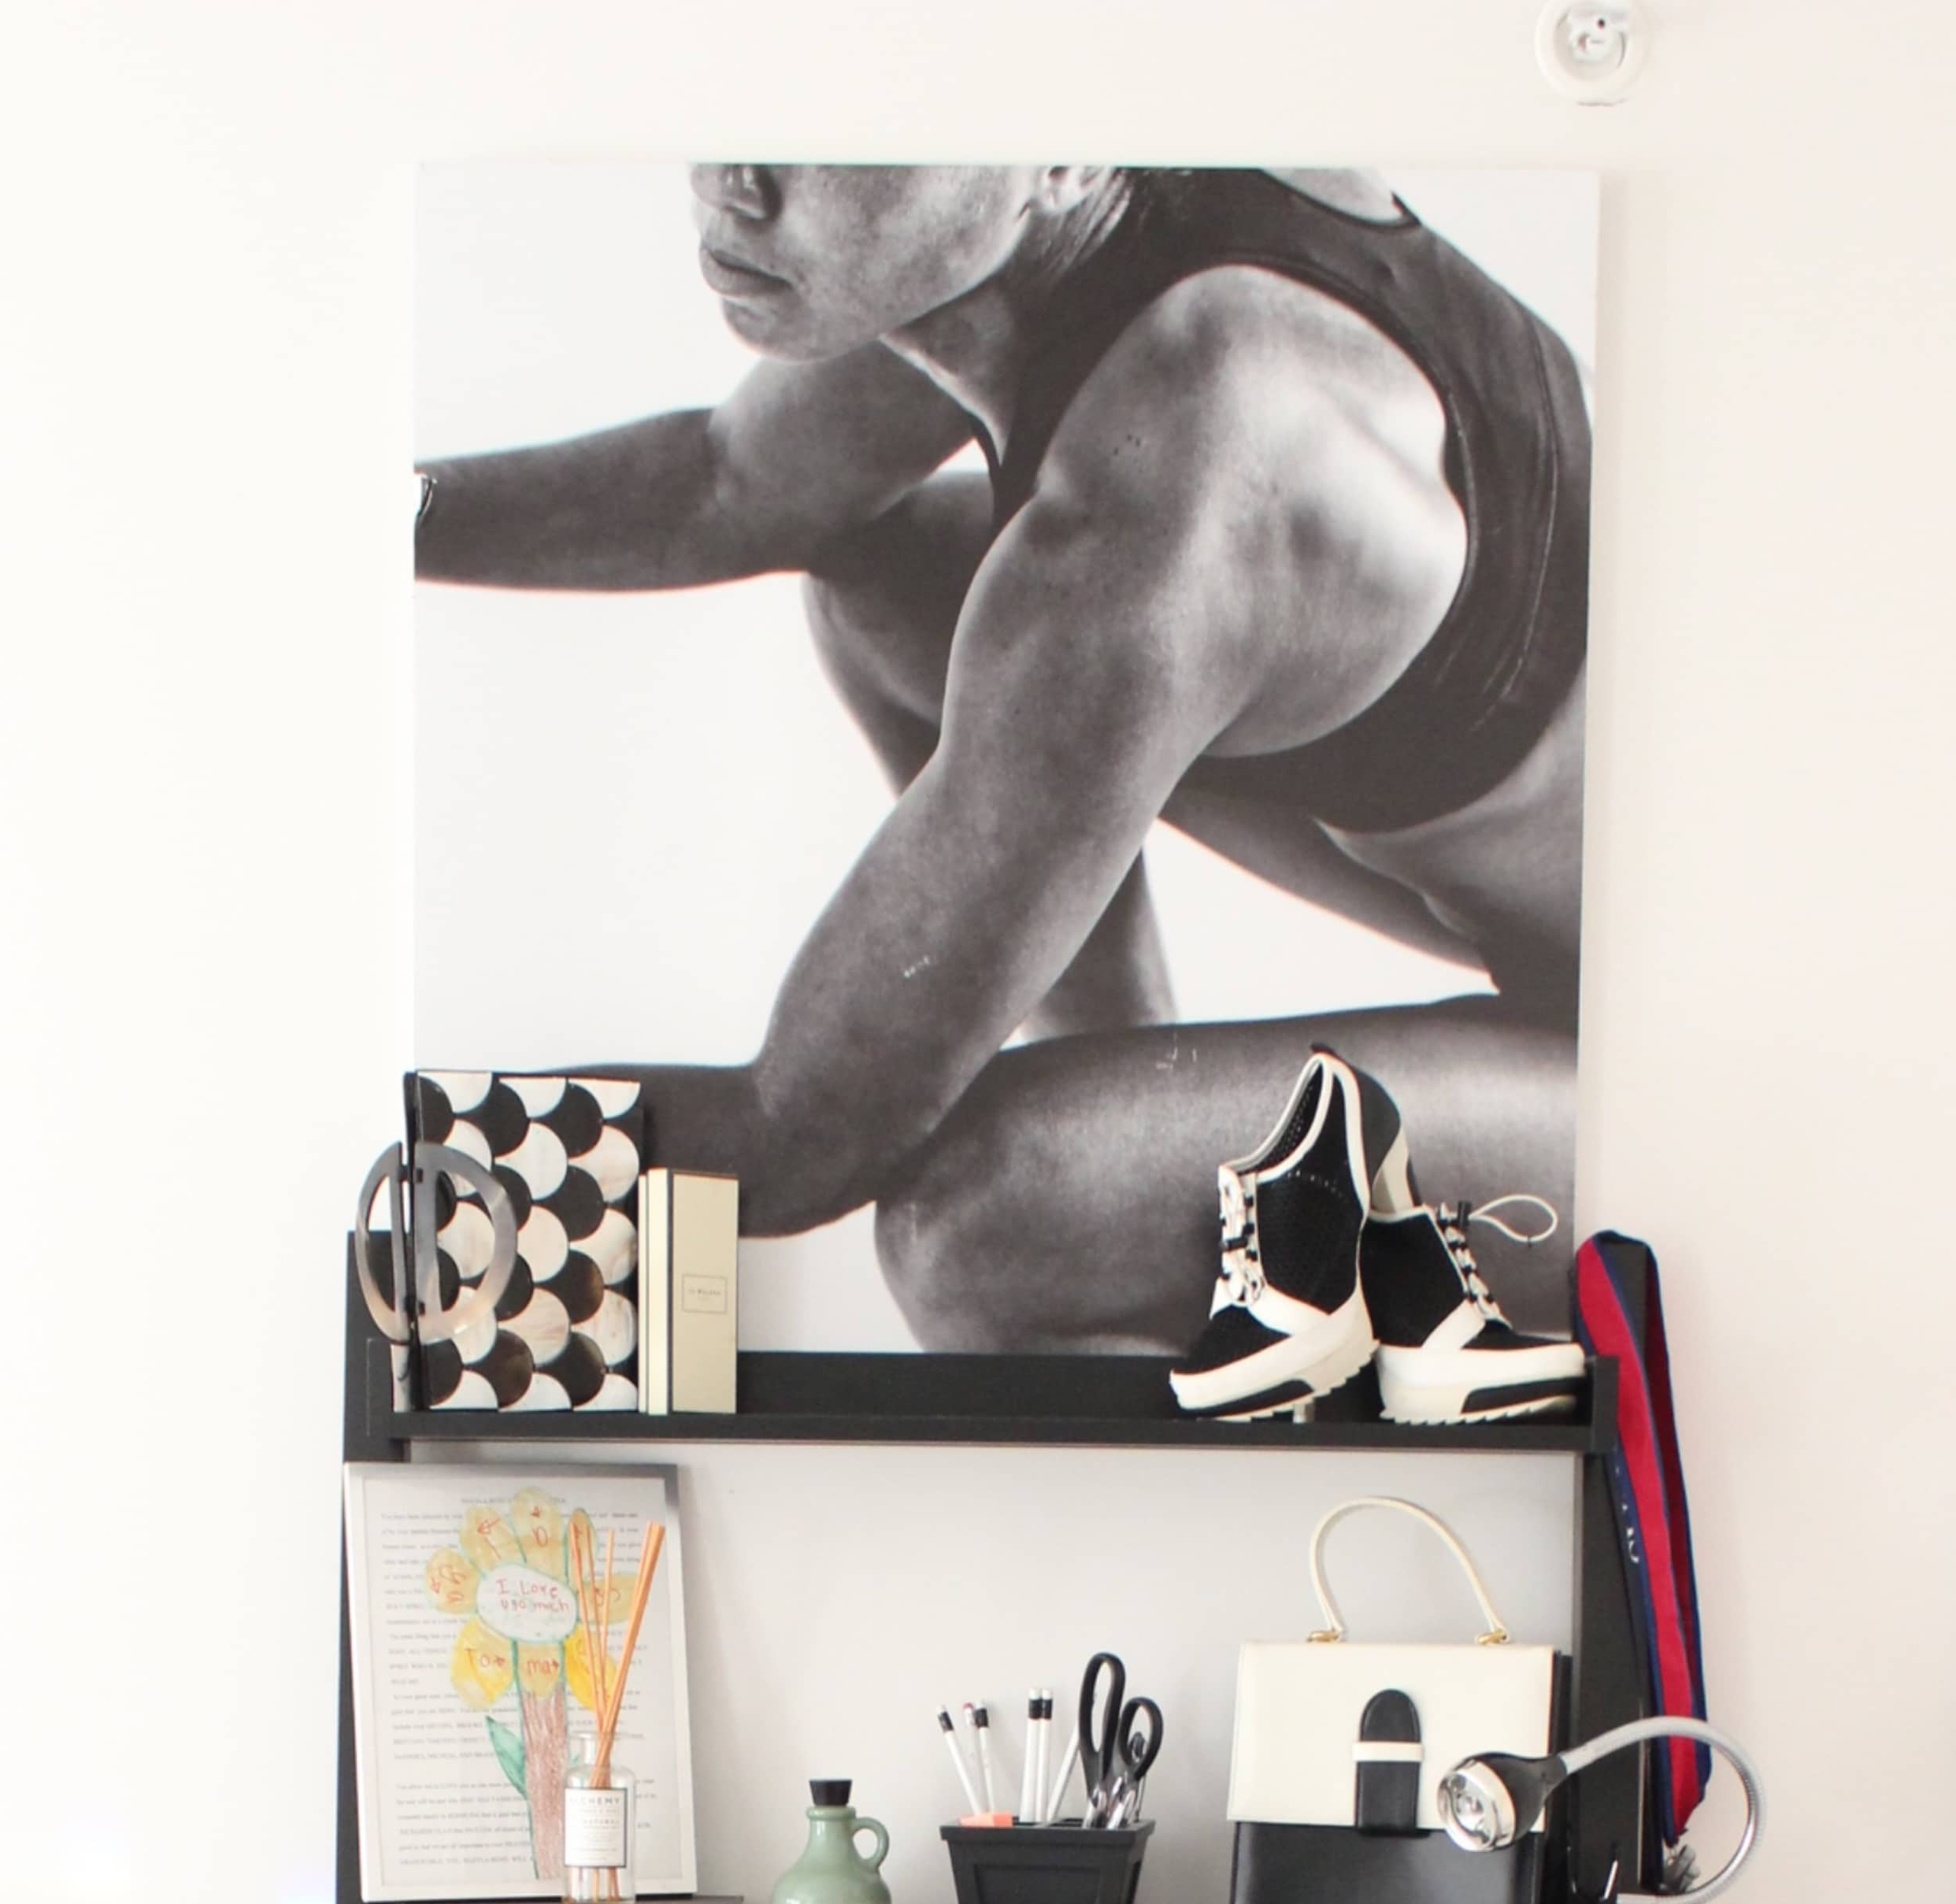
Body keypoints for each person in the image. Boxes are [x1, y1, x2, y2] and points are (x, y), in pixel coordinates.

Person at [415, 165, 1589, 1354]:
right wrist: (342, 517)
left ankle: (1162, 1274)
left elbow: (799, 1135)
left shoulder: (1182, 476)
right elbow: (723, 481)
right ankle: (1139, 1123)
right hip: (1585, 900)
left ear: (1064, 159)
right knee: (897, 581)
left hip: (1684, 1068)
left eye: (838, 132)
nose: (735, 178)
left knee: (984, 1223)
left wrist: (410, 1159)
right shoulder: (1039, 210)